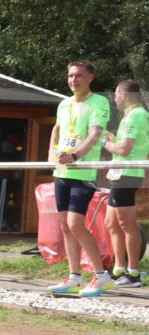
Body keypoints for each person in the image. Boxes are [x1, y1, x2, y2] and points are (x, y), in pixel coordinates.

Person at [46, 60, 113, 297]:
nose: (74, 80)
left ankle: (101, 275)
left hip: (83, 171)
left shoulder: (100, 102)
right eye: (71, 76)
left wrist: (75, 155)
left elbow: (95, 134)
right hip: (62, 171)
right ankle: (74, 276)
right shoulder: (64, 104)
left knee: (75, 223)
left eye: (79, 76)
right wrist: (51, 152)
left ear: (90, 78)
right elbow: (56, 128)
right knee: (65, 226)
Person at [103, 79, 148, 288]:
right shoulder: (133, 115)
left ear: (124, 95)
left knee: (126, 224)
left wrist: (107, 143)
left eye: (116, 94)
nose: (114, 98)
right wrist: (114, 141)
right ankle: (119, 269)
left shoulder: (135, 116)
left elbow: (124, 150)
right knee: (111, 222)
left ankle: (133, 273)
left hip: (126, 174)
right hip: (122, 174)